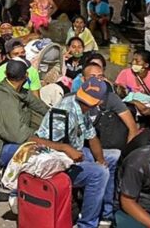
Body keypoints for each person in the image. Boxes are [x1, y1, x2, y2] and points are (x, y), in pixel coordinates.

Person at [36, 77, 120, 228]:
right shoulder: (63, 112)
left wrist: (100, 159)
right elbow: (40, 142)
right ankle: (87, 224)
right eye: (84, 101)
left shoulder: (84, 109)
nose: (86, 104)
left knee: (113, 157)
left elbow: (91, 136)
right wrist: (66, 148)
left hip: (76, 152)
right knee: (99, 173)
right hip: (57, 162)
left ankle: (106, 214)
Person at [115, 50, 150, 115]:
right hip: (131, 105)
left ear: (146, 65)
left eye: (137, 61)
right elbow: (119, 92)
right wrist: (135, 102)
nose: (133, 63)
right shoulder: (125, 73)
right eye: (133, 60)